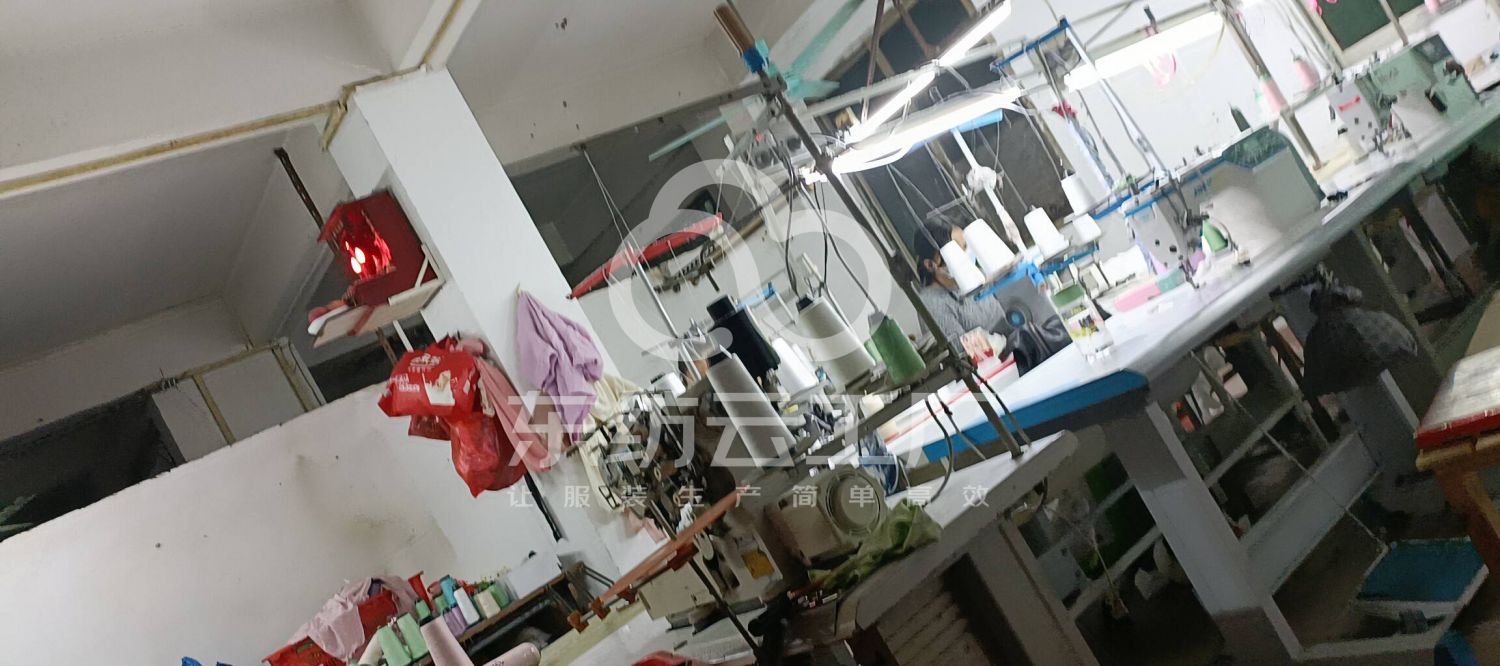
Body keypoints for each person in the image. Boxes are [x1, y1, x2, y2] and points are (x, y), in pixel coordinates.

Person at [911, 220, 1015, 345]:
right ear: (930, 265)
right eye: (955, 252)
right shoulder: (932, 303)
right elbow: (963, 349)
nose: (965, 256)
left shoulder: (976, 275)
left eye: (965, 247)